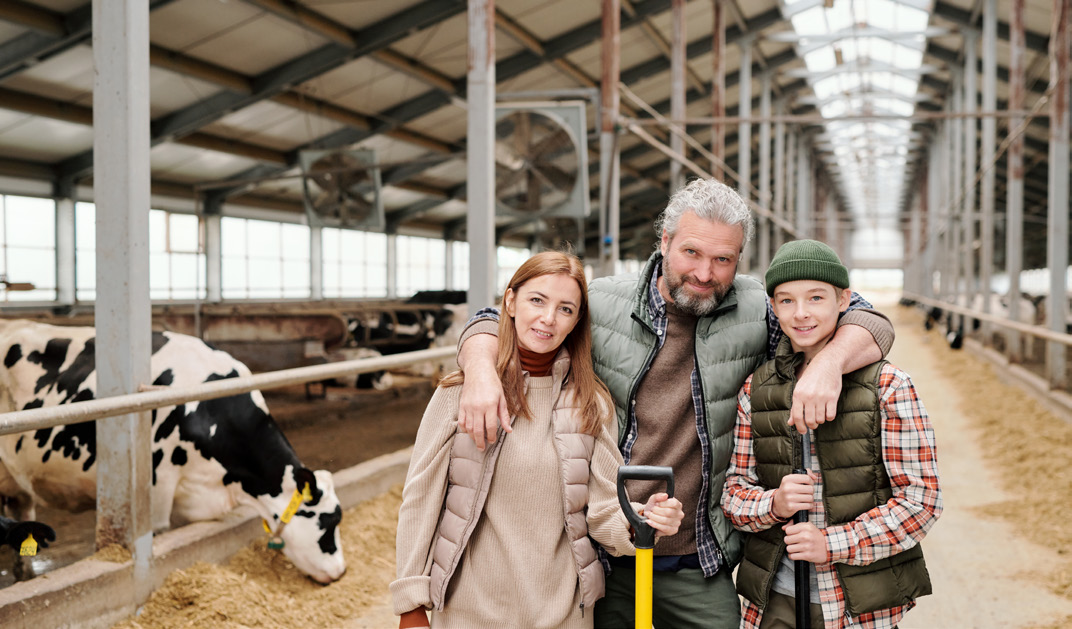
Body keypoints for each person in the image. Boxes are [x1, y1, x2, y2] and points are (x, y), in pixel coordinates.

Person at [454, 178, 896, 628]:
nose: (705, 273)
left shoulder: (757, 308)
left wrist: (827, 366)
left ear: (738, 259)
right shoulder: (601, 304)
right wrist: (480, 369)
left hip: (699, 558)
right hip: (601, 550)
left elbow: (867, 317)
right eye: (692, 253)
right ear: (664, 241)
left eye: (723, 259)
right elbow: (499, 318)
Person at [391, 251, 685, 629]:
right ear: (510, 302)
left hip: (563, 612)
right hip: (470, 611)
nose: (548, 318)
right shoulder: (461, 392)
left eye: (565, 309)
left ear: (577, 321)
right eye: (537, 300)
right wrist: (411, 604)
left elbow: (603, 509)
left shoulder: (591, 403)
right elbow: (420, 498)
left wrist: (641, 520)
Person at [722, 239, 942, 629]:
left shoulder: (889, 386)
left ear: (844, 300)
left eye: (816, 298)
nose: (801, 313)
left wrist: (832, 544)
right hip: (774, 599)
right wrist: (774, 503)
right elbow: (734, 493)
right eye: (786, 301)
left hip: (857, 606)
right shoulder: (756, 389)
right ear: (773, 307)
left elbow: (921, 501)